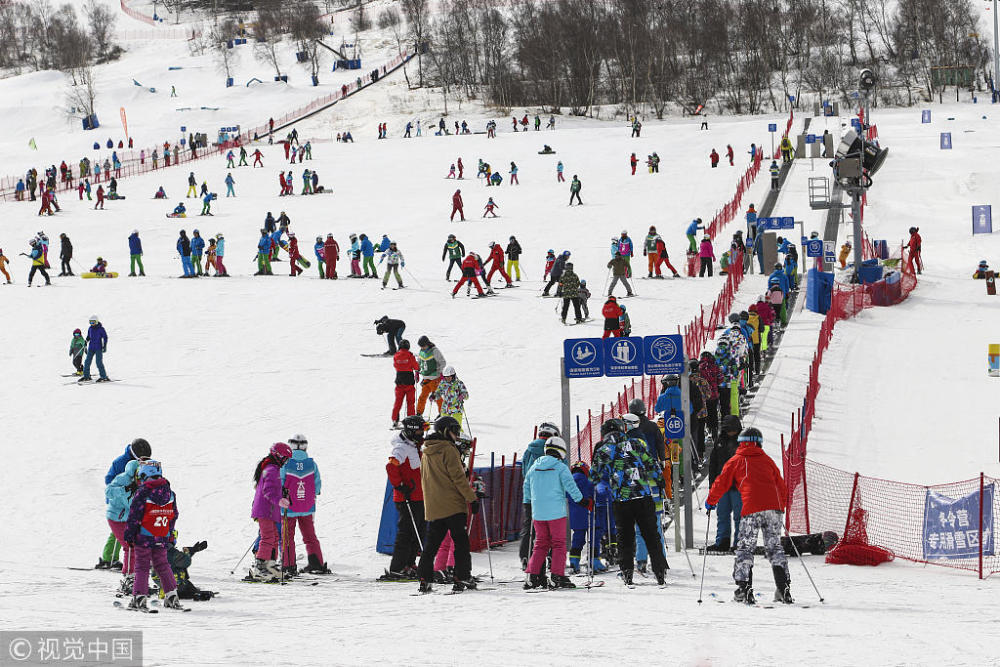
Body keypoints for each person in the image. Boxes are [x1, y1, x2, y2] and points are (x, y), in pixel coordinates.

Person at [705, 427, 791, 604]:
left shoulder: (736, 460)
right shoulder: (767, 460)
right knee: (774, 547)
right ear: (759, 443)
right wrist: (780, 507)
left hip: (751, 509)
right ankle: (783, 588)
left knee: (745, 548)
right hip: (773, 509)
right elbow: (781, 485)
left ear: (741, 443)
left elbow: (721, 482)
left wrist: (711, 501)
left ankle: (744, 589)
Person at [589, 418, 668, 586]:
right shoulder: (636, 443)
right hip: (643, 496)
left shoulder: (604, 450)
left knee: (625, 537)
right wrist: (659, 480)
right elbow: (651, 464)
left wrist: (601, 483)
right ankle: (660, 571)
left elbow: (594, 475)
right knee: (651, 535)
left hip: (622, 500)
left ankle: (627, 572)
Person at [416, 416, 480, 593]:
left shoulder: (427, 451)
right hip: (452, 506)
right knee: (461, 543)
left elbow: (424, 478)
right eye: (454, 431)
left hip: (435, 506)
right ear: (445, 431)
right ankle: (462, 576)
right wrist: (472, 498)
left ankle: (424, 578)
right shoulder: (449, 450)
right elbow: (458, 479)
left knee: (431, 545)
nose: (456, 435)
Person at [522, 436, 585, 589]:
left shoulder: (534, 467)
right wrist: (581, 500)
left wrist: (528, 502)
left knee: (540, 544)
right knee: (558, 544)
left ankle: (532, 576)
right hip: (556, 513)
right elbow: (570, 485)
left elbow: (526, 486)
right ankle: (557, 575)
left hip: (538, 513)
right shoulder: (560, 467)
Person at [124, 460, 185, 612]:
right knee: (163, 565)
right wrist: (169, 533)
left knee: (142, 566)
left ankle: (139, 598)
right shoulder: (170, 494)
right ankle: (172, 596)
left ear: (144, 474)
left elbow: (135, 515)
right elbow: (173, 515)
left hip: (144, 536)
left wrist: (129, 534)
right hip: (161, 535)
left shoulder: (143, 492)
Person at [382, 416, 428, 580]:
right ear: (411, 431)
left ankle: (409, 563)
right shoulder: (401, 448)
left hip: (419, 496)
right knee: (406, 533)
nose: (422, 433)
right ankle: (397, 567)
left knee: (418, 531)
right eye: (420, 430)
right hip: (407, 497)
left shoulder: (414, 446)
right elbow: (391, 466)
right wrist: (399, 485)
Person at [280, 435, 330, 575]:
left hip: (289, 506)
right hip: (307, 506)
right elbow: (317, 484)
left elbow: (280, 482)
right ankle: (316, 563)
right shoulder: (311, 464)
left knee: (287, 536)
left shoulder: (286, 463)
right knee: (310, 535)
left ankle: (288, 565)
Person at [249, 443, 294, 582]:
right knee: (268, 537)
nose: (286, 461)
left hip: (270, 510)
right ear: (278, 456)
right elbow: (267, 491)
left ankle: (270, 566)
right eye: (285, 458)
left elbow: (273, 488)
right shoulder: (271, 469)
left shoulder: (272, 468)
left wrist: (282, 492)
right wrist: (279, 500)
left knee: (274, 537)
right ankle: (260, 568)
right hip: (265, 510)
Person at [519, 422, 559, 569]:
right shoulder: (554, 448)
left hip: (530, 495)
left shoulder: (529, 450)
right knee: (551, 527)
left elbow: (524, 471)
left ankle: (526, 556)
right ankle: (551, 557)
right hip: (549, 496)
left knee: (529, 526)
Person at [106, 458, 144, 594]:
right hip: (118, 518)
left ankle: (135, 577)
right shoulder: (123, 479)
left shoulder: (142, 483)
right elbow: (108, 492)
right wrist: (125, 489)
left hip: (130, 518)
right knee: (130, 545)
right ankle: (129, 577)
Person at [706, 415, 743, 552]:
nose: (730, 433)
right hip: (722, 485)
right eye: (728, 430)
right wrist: (712, 485)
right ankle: (722, 541)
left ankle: (739, 542)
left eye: (733, 430)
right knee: (722, 514)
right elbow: (713, 464)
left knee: (739, 515)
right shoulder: (720, 442)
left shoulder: (743, 443)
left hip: (738, 486)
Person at [391, 340, 419, 428]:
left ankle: (395, 420)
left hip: (399, 382)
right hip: (409, 383)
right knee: (410, 402)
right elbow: (416, 366)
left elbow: (395, 365)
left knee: (398, 402)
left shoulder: (396, 355)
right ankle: (411, 420)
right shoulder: (410, 355)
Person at [79, 315, 109, 382]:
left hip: (98, 348)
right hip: (91, 348)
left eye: (93, 322)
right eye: (90, 322)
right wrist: (86, 341)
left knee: (98, 362)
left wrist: (104, 346)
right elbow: (88, 336)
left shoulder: (101, 329)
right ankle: (86, 376)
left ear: (97, 321)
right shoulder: (90, 328)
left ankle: (104, 377)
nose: (92, 324)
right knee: (87, 362)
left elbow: (105, 337)